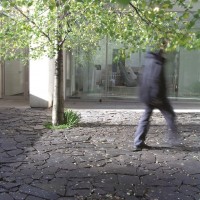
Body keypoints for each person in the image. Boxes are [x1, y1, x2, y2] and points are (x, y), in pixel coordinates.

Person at [133, 44, 181, 151]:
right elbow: (154, 80)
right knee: (170, 115)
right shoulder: (157, 62)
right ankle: (173, 139)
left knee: (145, 118)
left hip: (149, 95)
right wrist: (156, 97)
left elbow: (144, 78)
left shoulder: (149, 60)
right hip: (157, 96)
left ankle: (138, 142)